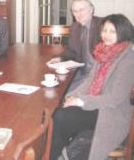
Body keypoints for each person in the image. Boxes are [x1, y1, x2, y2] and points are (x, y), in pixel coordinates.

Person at [49, 14, 134, 160]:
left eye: (112, 31)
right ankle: (50, 153)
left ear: (123, 32)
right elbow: (89, 81)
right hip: (96, 105)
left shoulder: (128, 60)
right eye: (105, 30)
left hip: (111, 113)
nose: (106, 35)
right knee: (59, 110)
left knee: (62, 116)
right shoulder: (103, 52)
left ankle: (48, 155)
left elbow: (115, 98)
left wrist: (81, 101)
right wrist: (72, 96)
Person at [48, 0, 103, 91]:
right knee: (57, 89)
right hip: (80, 72)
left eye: (81, 10)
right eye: (75, 11)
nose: (78, 14)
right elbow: (71, 50)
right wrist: (61, 58)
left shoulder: (102, 25)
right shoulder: (75, 27)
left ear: (91, 10)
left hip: (98, 75)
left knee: (68, 95)